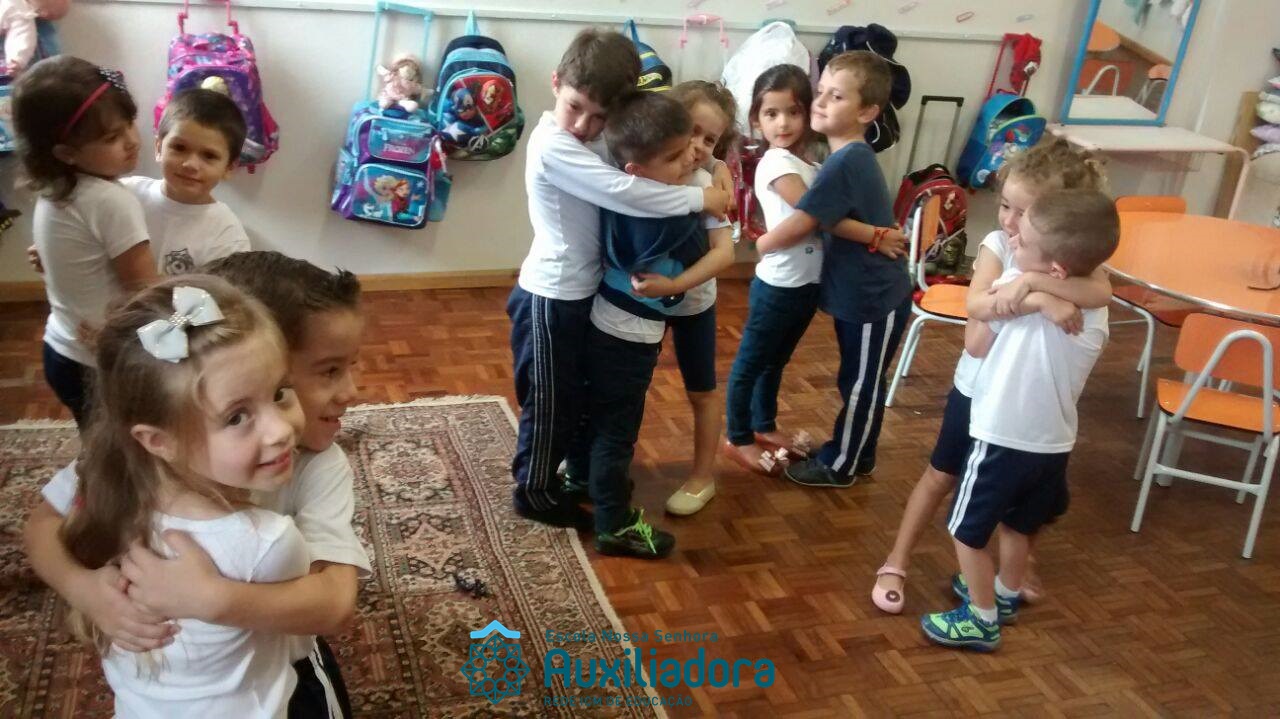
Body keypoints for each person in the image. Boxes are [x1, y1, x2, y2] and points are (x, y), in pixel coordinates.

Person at [26, 251, 370, 717]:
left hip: (281, 668)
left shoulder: (318, 467)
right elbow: (42, 524)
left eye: (279, 393)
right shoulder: (130, 459)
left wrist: (213, 599)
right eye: (329, 370)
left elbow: (335, 601)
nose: (351, 391)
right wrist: (86, 590)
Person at [871, 139, 1112, 615]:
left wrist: (1033, 281)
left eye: (1023, 212)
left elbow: (1101, 292)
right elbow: (976, 325)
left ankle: (1010, 575)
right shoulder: (1000, 247)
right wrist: (1039, 297)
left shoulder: (1075, 261)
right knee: (941, 476)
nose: (1008, 221)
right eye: (1005, 206)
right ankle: (897, 559)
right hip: (977, 391)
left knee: (1024, 501)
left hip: (1026, 411)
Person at [509, 28, 729, 529]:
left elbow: (663, 150)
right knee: (549, 398)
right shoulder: (552, 144)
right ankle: (534, 492)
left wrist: (716, 167)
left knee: (571, 392)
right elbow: (626, 192)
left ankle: (572, 474)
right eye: (575, 107)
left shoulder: (596, 139)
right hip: (549, 294)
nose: (583, 125)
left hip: (583, 294)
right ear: (555, 83)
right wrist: (703, 197)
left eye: (599, 117)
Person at [59, 275, 308, 716]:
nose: (281, 429)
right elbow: (306, 632)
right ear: (159, 441)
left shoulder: (107, 483)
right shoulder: (268, 543)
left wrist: (80, 587)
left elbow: (40, 527)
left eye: (279, 393)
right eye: (237, 417)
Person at [921, 189, 1120, 651]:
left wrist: (1027, 288)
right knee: (1019, 523)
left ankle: (981, 617)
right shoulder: (1093, 308)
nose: (1013, 239)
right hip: (1053, 445)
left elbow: (977, 318)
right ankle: (1006, 594)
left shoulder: (1018, 281)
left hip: (1002, 438)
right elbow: (1098, 287)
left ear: (1056, 270)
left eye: (1024, 241)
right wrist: (1039, 293)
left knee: (965, 532)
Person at [585, 91, 734, 556]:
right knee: (618, 403)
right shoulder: (639, 176)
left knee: (700, 390)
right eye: (692, 133)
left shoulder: (707, 182)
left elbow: (724, 253)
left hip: (690, 301)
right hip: (634, 311)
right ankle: (596, 480)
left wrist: (676, 286)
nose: (698, 147)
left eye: (711, 139)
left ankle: (701, 476)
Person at [753, 51, 911, 487]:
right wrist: (875, 234)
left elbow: (808, 219)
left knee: (860, 384)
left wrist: (761, 245)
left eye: (836, 96)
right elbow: (827, 218)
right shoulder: (841, 158)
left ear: (867, 112)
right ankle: (860, 454)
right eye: (820, 91)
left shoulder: (846, 161)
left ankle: (840, 466)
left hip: (874, 296)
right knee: (859, 379)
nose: (820, 102)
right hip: (861, 294)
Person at [13, 55, 156, 426]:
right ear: (66, 153)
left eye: (129, 124)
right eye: (111, 138)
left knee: (97, 443)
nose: (131, 141)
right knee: (128, 447)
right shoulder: (111, 201)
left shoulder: (54, 190)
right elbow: (146, 291)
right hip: (99, 364)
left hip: (59, 350)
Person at [123, 87, 251, 274]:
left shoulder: (228, 236)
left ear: (229, 168)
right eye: (179, 147)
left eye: (209, 155)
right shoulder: (126, 193)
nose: (191, 164)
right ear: (158, 148)